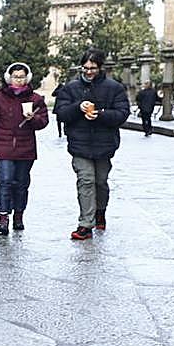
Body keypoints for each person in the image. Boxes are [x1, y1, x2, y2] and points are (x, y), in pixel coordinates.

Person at [53, 49, 130, 240]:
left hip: (104, 144)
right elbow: (61, 113)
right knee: (85, 180)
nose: (88, 72)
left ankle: (100, 211)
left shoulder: (114, 88)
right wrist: (78, 107)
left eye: (93, 68)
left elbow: (122, 113)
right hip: (80, 145)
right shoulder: (70, 88)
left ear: (100, 67)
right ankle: (85, 224)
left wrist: (102, 114)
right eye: (85, 68)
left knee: (100, 182)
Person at [0, 63, 48, 235]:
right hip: (4, 148)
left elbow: (43, 122)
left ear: (27, 78)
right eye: (15, 76)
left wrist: (33, 118)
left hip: (25, 149)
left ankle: (19, 215)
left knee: (21, 184)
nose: (18, 80)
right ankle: (3, 216)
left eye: (22, 76)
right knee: (5, 182)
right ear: (9, 78)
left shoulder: (35, 99)